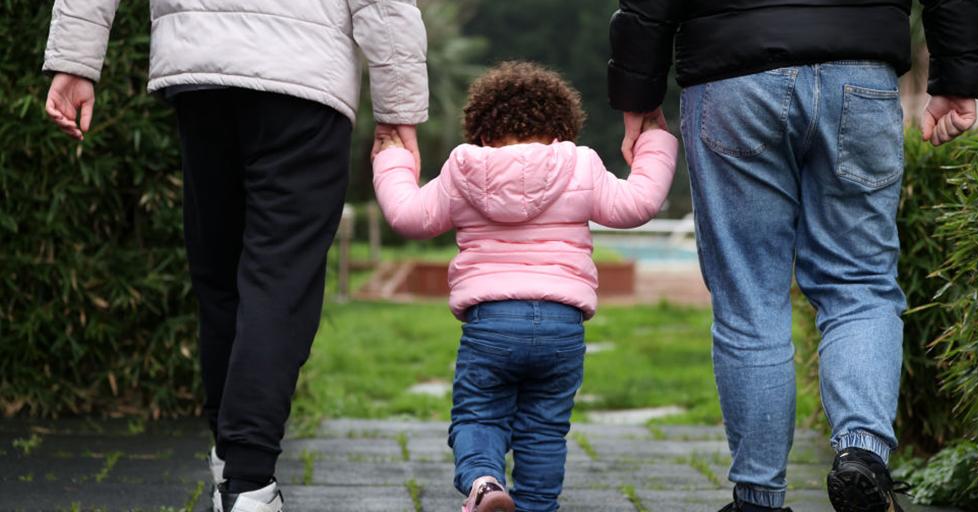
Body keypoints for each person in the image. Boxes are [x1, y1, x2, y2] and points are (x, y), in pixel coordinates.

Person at [42, 1, 429, 511]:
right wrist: (398, 112)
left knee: (221, 274)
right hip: (304, 76)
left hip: (201, 67)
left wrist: (75, 59)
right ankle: (248, 480)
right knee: (280, 280)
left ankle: (232, 460)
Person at [607, 1, 978, 511]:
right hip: (861, 70)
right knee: (859, 285)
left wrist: (639, 93)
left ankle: (759, 498)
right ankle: (862, 454)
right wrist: (958, 73)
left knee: (750, 298)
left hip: (732, 73)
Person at [371, 61, 677, 512]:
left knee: (478, 414)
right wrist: (651, 138)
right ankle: (535, 505)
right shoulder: (580, 164)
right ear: (561, 124)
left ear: (481, 127)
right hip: (561, 325)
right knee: (544, 429)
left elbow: (408, 215)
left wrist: (392, 157)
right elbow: (639, 203)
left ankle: (484, 483)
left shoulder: (463, 168)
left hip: (491, 323)